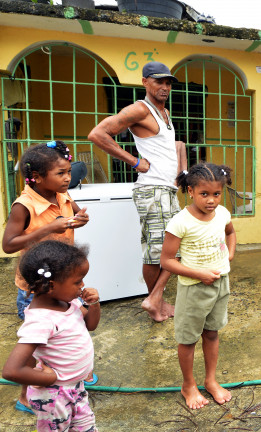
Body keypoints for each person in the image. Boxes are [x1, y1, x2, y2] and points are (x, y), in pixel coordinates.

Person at [88, 61, 188, 322]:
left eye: (168, 83)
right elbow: (97, 134)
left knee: (163, 250)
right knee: (163, 251)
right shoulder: (140, 109)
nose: (165, 87)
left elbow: (174, 145)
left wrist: (181, 172)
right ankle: (154, 301)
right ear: (145, 82)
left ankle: (156, 300)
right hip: (152, 190)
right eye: (159, 81)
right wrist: (134, 161)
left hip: (164, 189)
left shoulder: (164, 113)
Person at [1, 140, 95, 414]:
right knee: (37, 343)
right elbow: (8, 245)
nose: (67, 178)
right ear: (38, 177)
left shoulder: (62, 194)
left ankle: (73, 369)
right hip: (39, 286)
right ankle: (26, 395)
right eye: (61, 173)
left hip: (64, 279)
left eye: (69, 172)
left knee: (70, 326)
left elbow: (75, 213)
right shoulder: (24, 206)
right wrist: (47, 229)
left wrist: (80, 219)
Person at [160, 162, 237, 409]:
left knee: (212, 332)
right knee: (188, 339)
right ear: (191, 191)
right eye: (204, 194)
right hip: (193, 289)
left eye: (216, 194)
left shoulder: (222, 213)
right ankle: (188, 385)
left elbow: (230, 232)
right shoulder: (180, 222)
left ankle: (210, 380)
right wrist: (198, 274)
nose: (211, 200)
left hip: (220, 284)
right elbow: (167, 261)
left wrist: (230, 253)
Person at [2, 240, 100, 432]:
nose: (82, 285)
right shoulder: (41, 321)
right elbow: (11, 370)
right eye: (77, 281)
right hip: (54, 398)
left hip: (76, 388)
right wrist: (49, 378)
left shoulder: (68, 303)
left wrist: (94, 304)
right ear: (52, 286)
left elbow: (91, 324)